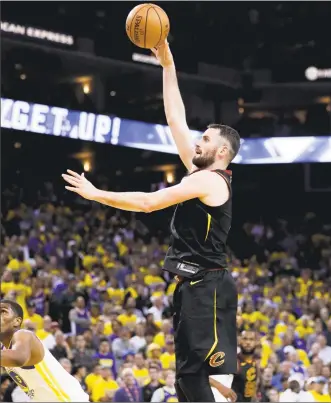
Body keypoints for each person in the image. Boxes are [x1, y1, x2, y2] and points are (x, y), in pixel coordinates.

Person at [62, 40, 241, 402]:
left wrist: (97, 194)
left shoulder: (208, 180)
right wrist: (168, 66)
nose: (197, 142)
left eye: (205, 139)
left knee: (194, 378)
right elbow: (175, 119)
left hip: (207, 288)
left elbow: (147, 203)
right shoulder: (199, 173)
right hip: (195, 286)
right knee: (186, 381)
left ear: (222, 152)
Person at [0, 299, 89, 402]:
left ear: (17, 321)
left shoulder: (24, 335)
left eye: (3, 311)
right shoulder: (4, 350)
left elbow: (19, 358)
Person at [231, 330, 261, 402]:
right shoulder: (233, 360)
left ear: (256, 342)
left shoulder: (257, 362)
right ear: (239, 341)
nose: (248, 342)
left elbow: (256, 387)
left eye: (251, 339)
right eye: (245, 339)